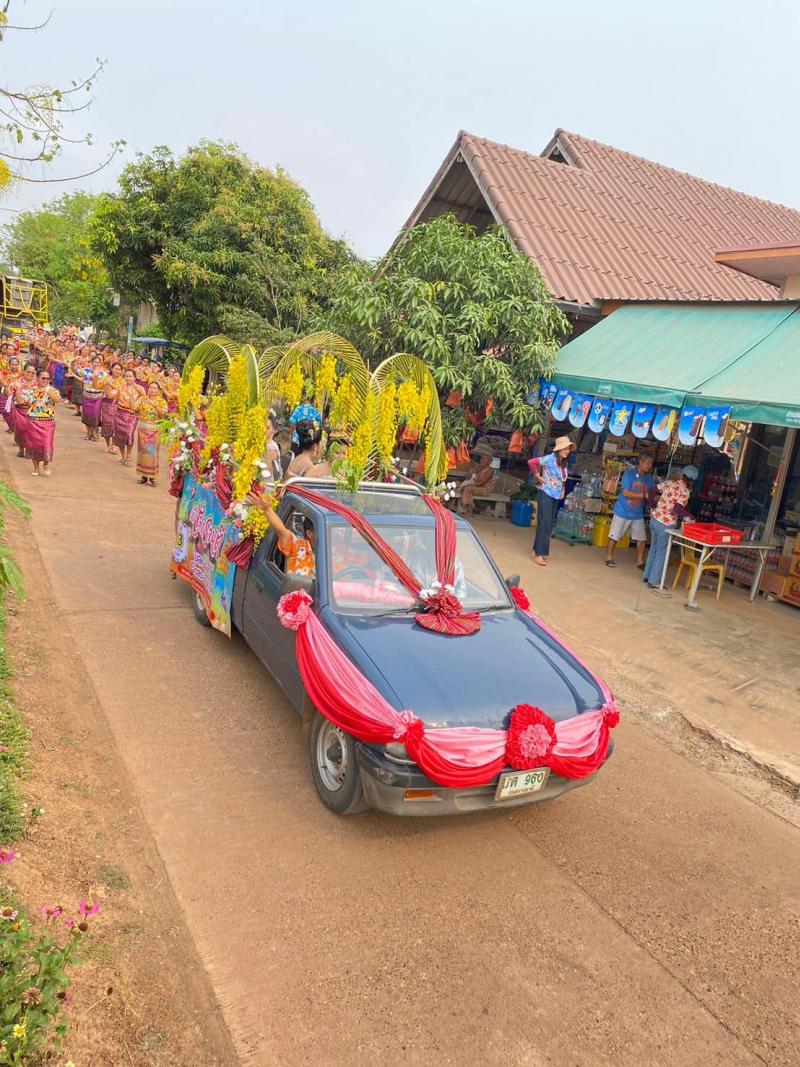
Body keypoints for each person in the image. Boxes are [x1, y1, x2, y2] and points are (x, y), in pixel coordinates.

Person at [642, 465, 698, 591]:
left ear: (682, 475)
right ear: (692, 481)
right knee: (661, 552)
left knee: (653, 549)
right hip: (665, 524)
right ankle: (653, 581)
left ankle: (647, 576)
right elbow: (677, 508)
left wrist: (652, 505)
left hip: (654, 518)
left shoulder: (669, 483)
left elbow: (651, 490)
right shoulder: (685, 491)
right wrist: (690, 517)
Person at [529, 436, 575, 566]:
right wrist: (538, 476)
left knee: (548, 524)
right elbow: (531, 462)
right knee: (544, 524)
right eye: (565, 449)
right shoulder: (550, 459)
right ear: (559, 449)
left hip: (555, 496)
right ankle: (539, 554)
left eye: (568, 449)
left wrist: (563, 489)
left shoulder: (563, 463)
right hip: (546, 493)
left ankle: (536, 550)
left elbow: (563, 478)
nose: (567, 451)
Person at [246, 493, 316, 578]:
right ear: (309, 533)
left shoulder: (331, 553)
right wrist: (267, 510)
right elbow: (282, 531)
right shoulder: (300, 547)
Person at [605, 453, 655, 569]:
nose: (650, 466)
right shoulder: (629, 474)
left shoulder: (649, 478)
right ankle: (609, 557)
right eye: (648, 463)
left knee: (641, 538)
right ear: (641, 462)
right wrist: (644, 495)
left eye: (651, 464)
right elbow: (626, 493)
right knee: (614, 535)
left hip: (637, 513)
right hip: (623, 510)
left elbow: (651, 493)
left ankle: (640, 561)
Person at [24, 369, 58, 476]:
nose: (46, 380)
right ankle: (36, 467)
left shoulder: (52, 390)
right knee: (33, 445)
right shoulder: (32, 390)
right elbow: (25, 402)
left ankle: (46, 464)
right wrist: (19, 390)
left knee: (47, 443)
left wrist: (49, 392)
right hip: (33, 421)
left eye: (48, 378)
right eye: (43, 378)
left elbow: (57, 399)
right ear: (37, 378)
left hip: (48, 422)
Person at [135, 380, 168, 485]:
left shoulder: (161, 401)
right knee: (142, 451)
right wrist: (133, 398)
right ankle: (143, 475)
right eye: (150, 387)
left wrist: (154, 405)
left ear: (158, 390)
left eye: (154, 388)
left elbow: (163, 414)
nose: (152, 390)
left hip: (154, 430)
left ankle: (152, 476)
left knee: (151, 452)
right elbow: (135, 408)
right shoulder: (143, 399)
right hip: (143, 429)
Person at [113, 369, 143, 465]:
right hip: (120, 413)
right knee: (119, 435)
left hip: (132, 414)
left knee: (129, 434)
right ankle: (123, 456)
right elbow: (115, 398)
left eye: (130, 376)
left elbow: (144, 397)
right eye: (126, 376)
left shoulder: (139, 388)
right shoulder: (121, 387)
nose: (128, 378)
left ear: (134, 377)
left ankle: (129, 454)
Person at [458, 448, 496, 515]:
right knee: (465, 489)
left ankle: (468, 509)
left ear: (489, 461)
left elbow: (482, 483)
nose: (482, 460)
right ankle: (471, 510)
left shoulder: (490, 470)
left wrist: (469, 485)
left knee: (467, 489)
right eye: (482, 458)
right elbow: (468, 478)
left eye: (484, 459)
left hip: (485, 489)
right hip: (476, 487)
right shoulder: (478, 467)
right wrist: (470, 473)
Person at [12, 362, 38, 458]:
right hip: (20, 410)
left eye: (32, 373)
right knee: (20, 429)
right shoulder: (17, 382)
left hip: (33, 411)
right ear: (23, 371)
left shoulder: (37, 383)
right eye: (28, 372)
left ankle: (29, 450)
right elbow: (11, 394)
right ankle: (21, 449)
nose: (30, 374)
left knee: (32, 431)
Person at [81, 354, 108, 441]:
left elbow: (104, 385)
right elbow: (77, 373)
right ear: (92, 362)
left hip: (97, 396)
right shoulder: (85, 370)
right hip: (86, 394)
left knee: (95, 415)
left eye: (98, 362)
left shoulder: (104, 374)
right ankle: (88, 433)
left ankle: (93, 432)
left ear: (100, 363)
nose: (96, 364)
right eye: (95, 362)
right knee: (86, 415)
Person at [101, 361, 124, 454]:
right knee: (106, 424)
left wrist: (110, 385)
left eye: (119, 369)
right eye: (115, 369)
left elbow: (121, 391)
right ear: (112, 369)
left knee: (116, 425)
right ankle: (108, 445)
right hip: (106, 403)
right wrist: (106, 385)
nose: (117, 371)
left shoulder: (123, 381)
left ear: (121, 371)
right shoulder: (106, 378)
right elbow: (99, 387)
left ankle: (113, 445)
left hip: (118, 404)